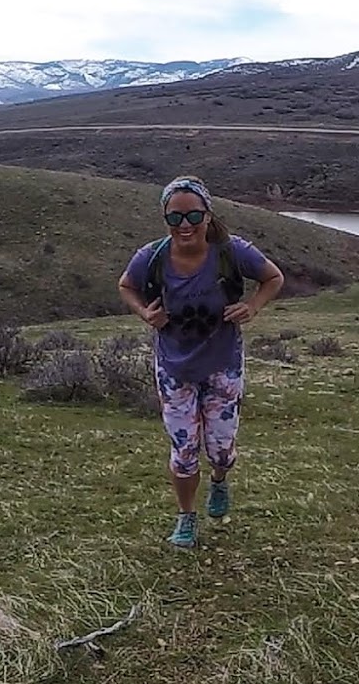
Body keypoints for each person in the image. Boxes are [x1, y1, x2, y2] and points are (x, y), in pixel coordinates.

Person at [118, 176, 285, 548]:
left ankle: (220, 480)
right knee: (184, 452)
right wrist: (145, 312)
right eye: (174, 218)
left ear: (208, 215)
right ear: (165, 219)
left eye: (194, 215)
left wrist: (253, 306)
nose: (185, 225)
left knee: (221, 450)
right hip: (174, 370)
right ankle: (186, 518)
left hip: (223, 365)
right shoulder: (152, 257)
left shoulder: (231, 252)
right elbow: (126, 286)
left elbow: (273, 277)